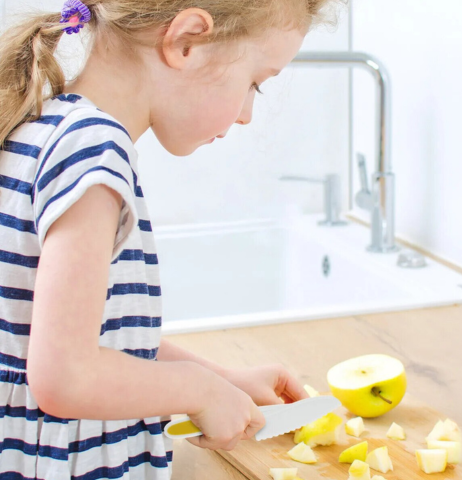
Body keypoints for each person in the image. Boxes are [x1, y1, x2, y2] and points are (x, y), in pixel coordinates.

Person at [0, 0, 338, 478]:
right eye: (255, 83)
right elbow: (64, 377)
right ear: (186, 42)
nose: (246, 114)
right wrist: (198, 391)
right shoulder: (95, 152)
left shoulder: (49, 126)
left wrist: (224, 380)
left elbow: (102, 338)